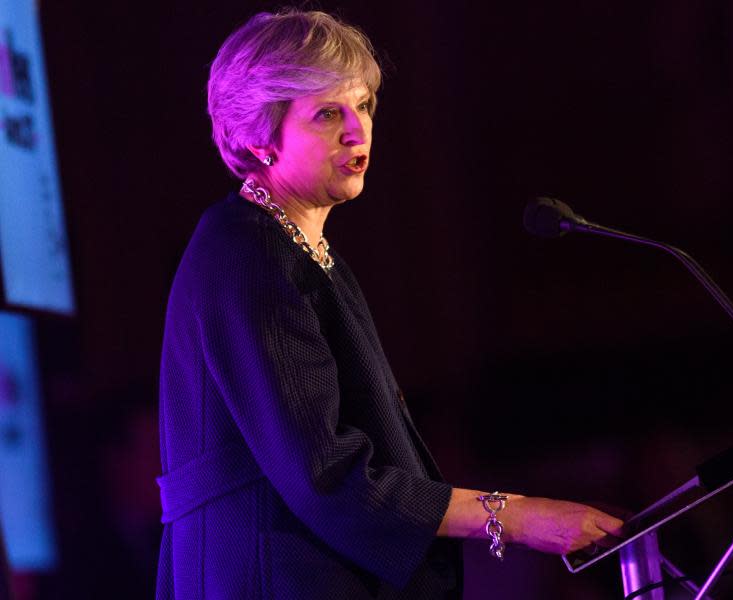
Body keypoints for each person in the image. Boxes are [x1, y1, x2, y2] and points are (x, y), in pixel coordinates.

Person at [156, 9, 623, 599]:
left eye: (364, 107)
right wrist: (515, 515)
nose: (358, 132)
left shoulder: (304, 251)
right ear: (257, 132)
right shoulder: (248, 253)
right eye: (328, 114)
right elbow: (325, 473)